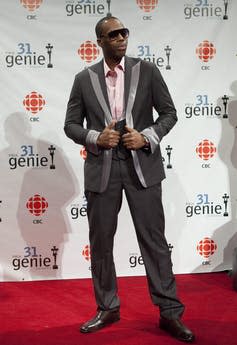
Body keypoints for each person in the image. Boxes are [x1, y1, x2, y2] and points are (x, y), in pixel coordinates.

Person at [64, 15, 195, 343]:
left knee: (154, 241)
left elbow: (169, 114)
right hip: (103, 170)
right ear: (101, 41)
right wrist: (96, 137)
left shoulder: (147, 71)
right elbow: (71, 125)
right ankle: (107, 307)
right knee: (101, 243)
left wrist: (147, 136)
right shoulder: (84, 79)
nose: (122, 38)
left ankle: (169, 313)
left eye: (124, 32)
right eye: (113, 34)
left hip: (143, 167)